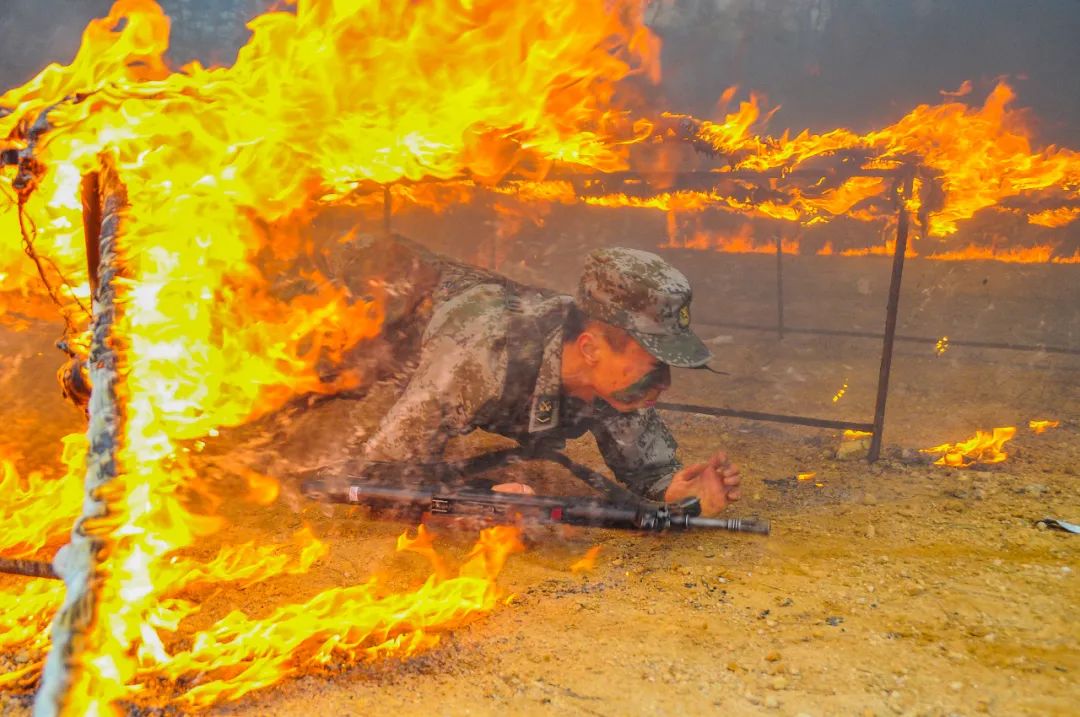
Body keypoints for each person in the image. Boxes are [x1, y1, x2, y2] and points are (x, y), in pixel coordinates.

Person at [313, 232, 741, 517]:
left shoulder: (618, 381)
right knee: (286, 381)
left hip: (465, 297)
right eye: (653, 361)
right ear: (590, 349)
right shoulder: (480, 356)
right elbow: (379, 472)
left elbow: (649, 472)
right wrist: (468, 504)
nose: (662, 383)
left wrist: (674, 491)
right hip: (377, 303)